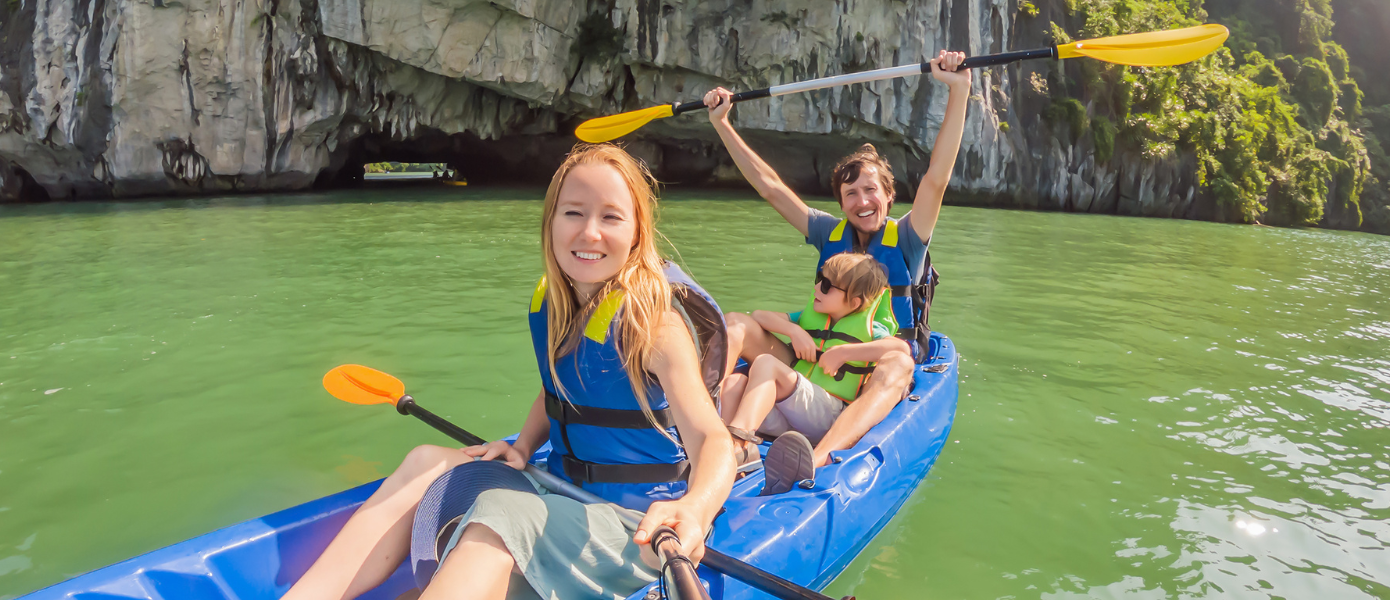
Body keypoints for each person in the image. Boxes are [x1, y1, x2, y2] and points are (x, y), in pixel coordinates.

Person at [281, 144, 736, 600]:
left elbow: (713, 441)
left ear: (637, 233)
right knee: (426, 461)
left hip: (636, 530)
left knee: (501, 512)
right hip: (563, 491)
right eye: (574, 213)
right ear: (550, 223)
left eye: (611, 217)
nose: (590, 232)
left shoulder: (651, 323)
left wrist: (693, 509)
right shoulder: (557, 303)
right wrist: (522, 447)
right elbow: (558, 389)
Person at [703, 49, 971, 473]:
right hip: (813, 358)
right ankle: (694, 418)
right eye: (851, 194)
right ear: (841, 202)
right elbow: (771, 188)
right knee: (736, 323)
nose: (862, 202)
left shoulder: (907, 238)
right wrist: (723, 124)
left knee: (900, 362)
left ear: (888, 195)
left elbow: (937, 177)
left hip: (874, 361)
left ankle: (820, 455)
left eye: (870, 191)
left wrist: (960, 88)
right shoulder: (827, 232)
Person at [721, 253, 910, 495]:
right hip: (794, 414)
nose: (817, 288)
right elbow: (759, 316)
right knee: (735, 383)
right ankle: (739, 456)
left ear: (854, 302)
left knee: (765, 364)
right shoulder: (812, 316)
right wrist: (793, 331)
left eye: (827, 285)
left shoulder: (873, 329)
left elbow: (901, 349)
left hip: (827, 415)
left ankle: (736, 445)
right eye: (820, 279)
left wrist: (844, 352)